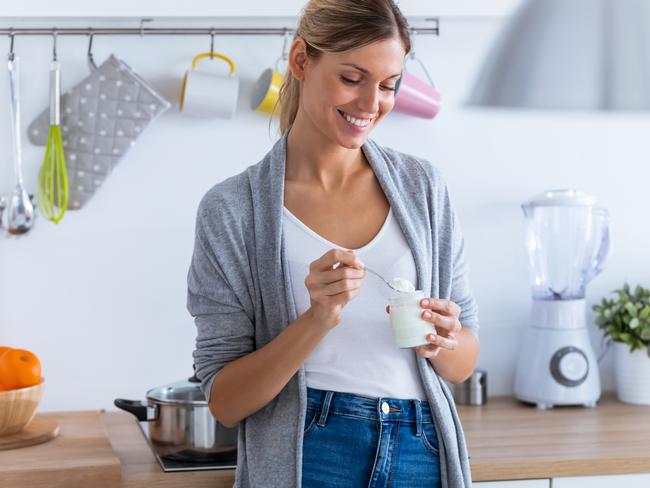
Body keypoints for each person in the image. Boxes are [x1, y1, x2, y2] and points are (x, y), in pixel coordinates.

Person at [187, 1, 480, 487]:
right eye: (352, 78)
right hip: (309, 451)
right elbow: (225, 399)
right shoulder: (232, 209)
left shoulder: (423, 187)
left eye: (388, 86)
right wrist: (317, 318)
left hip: (420, 446)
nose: (371, 104)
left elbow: (463, 362)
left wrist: (444, 338)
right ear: (301, 61)